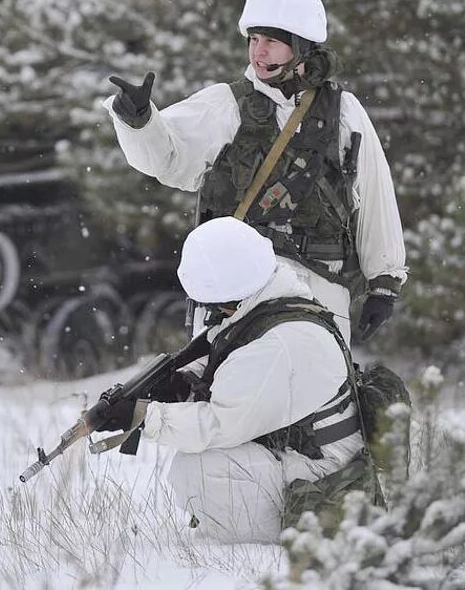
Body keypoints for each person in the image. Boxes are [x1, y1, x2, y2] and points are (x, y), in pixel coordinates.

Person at [104, 0, 407, 344]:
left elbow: (373, 194)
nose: (259, 53)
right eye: (253, 40)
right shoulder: (225, 105)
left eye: (272, 42)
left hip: (322, 284)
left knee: (314, 390)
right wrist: (139, 121)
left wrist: (384, 282)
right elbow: (167, 158)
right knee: (230, 389)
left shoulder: (344, 111)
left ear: (301, 47)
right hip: (237, 286)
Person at [96, 216, 368, 543]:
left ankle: (294, 529)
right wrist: (182, 384)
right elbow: (228, 363)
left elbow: (219, 425)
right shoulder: (272, 301)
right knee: (200, 463)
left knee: (198, 469)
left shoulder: (276, 341)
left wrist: (144, 416)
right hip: (317, 456)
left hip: (327, 480)